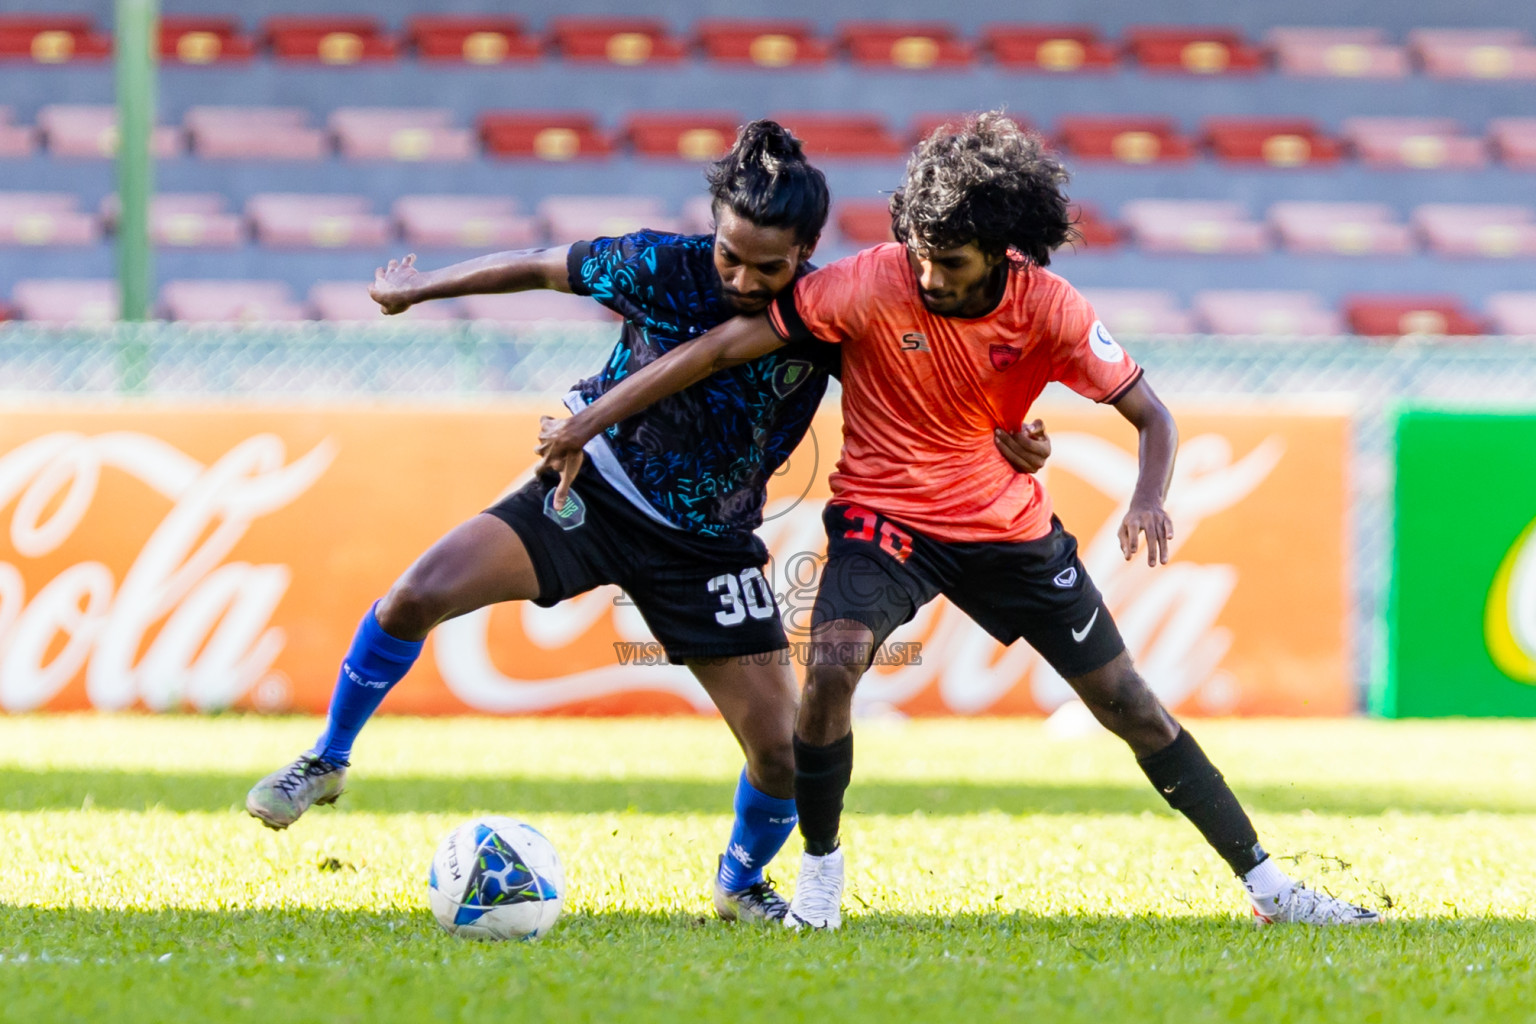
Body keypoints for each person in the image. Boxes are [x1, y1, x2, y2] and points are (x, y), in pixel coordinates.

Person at [534, 112, 1382, 930]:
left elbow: (1150, 414)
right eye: (923, 256)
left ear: (1002, 253)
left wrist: (1149, 496)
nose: (932, 277)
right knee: (830, 665)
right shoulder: (869, 281)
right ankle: (819, 881)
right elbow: (721, 347)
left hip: (1004, 526)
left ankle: (1270, 885)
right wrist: (590, 418)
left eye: (953, 263)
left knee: (1129, 704)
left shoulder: (1052, 309)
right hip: (885, 522)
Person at [243, 120, 1052, 925]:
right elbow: (536, 265)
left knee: (780, 753)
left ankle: (739, 883)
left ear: (806, 251)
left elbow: (930, 377)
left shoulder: (828, 309)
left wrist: (1005, 432)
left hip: (709, 548)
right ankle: (326, 758)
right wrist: (417, 289)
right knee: (417, 595)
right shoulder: (657, 265)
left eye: (767, 266)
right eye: (729, 254)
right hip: (592, 492)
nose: (741, 276)